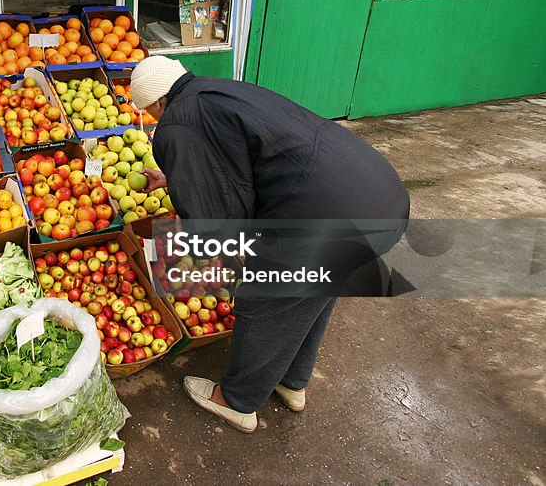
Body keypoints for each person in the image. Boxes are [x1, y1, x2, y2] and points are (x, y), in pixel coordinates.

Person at [129, 55, 409, 434]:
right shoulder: (220, 90)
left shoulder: (175, 123)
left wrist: (194, 245)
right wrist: (177, 179)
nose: (153, 119)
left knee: (264, 301)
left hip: (324, 215)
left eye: (149, 112)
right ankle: (291, 382)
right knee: (313, 291)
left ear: (156, 103)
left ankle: (238, 402)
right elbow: (237, 160)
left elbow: (216, 216)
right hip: (379, 198)